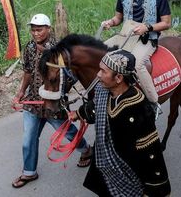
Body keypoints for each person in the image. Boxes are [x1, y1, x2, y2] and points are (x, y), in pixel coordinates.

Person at [69, 49, 171, 197]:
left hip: (128, 172)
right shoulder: (105, 92)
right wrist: (77, 114)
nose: (98, 75)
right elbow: (95, 106)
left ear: (118, 78)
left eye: (103, 71)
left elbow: (151, 150)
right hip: (107, 164)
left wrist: (155, 188)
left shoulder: (137, 107)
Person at [11, 14, 92, 188]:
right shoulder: (30, 47)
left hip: (53, 103)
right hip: (33, 101)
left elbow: (72, 76)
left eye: (39, 29)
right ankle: (29, 172)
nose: (35, 33)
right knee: (28, 138)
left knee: (67, 132)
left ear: (48, 28)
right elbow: (27, 71)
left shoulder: (60, 49)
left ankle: (86, 150)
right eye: (33, 30)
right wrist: (20, 92)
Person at [101, 0, 171, 106]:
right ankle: (105, 92)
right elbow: (118, 18)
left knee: (137, 64)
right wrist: (110, 22)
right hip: (126, 35)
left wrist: (148, 27)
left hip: (147, 39)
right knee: (99, 52)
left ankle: (154, 102)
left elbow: (166, 23)